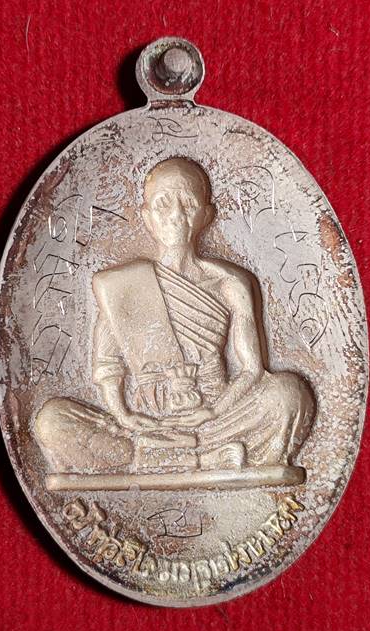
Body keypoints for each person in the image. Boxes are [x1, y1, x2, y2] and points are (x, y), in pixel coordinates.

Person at [35, 157, 315, 474]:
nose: (176, 216)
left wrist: (212, 411)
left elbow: (252, 370)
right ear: (147, 216)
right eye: (163, 204)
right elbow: (108, 364)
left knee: (288, 394)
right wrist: (124, 414)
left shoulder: (230, 284)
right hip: (146, 424)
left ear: (206, 215)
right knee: (52, 420)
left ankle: (155, 459)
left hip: (212, 420)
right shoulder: (123, 284)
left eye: (188, 204)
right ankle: (201, 459)